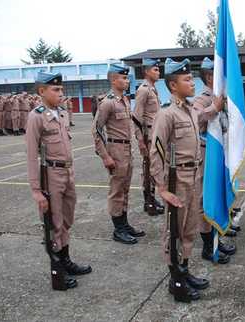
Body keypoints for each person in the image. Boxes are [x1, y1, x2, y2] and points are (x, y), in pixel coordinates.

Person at [150, 58, 209, 302]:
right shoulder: (167, 114)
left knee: (189, 228)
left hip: (193, 176)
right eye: (186, 79)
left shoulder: (191, 110)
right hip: (176, 179)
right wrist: (161, 188)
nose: (192, 82)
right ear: (173, 85)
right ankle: (176, 280)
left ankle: (184, 270)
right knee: (174, 231)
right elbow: (156, 150)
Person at [26, 71, 92, 290]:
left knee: (67, 220)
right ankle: (58, 269)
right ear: (42, 91)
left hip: (68, 173)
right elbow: (31, 155)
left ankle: (65, 260)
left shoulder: (61, 114)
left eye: (61, 89)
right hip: (50, 176)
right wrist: (36, 190)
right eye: (55, 89)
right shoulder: (36, 116)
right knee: (54, 223)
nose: (60, 93)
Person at [92, 64, 145, 245]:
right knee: (116, 191)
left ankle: (124, 224)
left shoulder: (124, 100)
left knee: (125, 189)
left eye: (127, 77)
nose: (127, 80)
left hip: (126, 150)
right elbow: (97, 130)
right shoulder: (108, 102)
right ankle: (118, 229)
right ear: (114, 80)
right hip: (115, 151)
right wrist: (105, 156)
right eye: (123, 78)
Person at [192, 57, 235, 264]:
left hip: (219, 154)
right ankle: (208, 247)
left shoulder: (219, 96)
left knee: (217, 195)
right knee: (205, 200)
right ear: (210, 77)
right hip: (206, 156)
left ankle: (218, 238)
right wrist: (214, 108)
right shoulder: (202, 99)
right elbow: (195, 120)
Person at [133, 58, 165, 216]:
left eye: (158, 70)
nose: (158, 72)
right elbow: (137, 117)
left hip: (155, 135)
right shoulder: (144, 89)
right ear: (146, 72)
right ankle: (149, 202)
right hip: (148, 136)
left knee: (155, 169)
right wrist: (140, 140)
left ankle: (152, 199)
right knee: (148, 170)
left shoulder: (153, 89)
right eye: (155, 69)